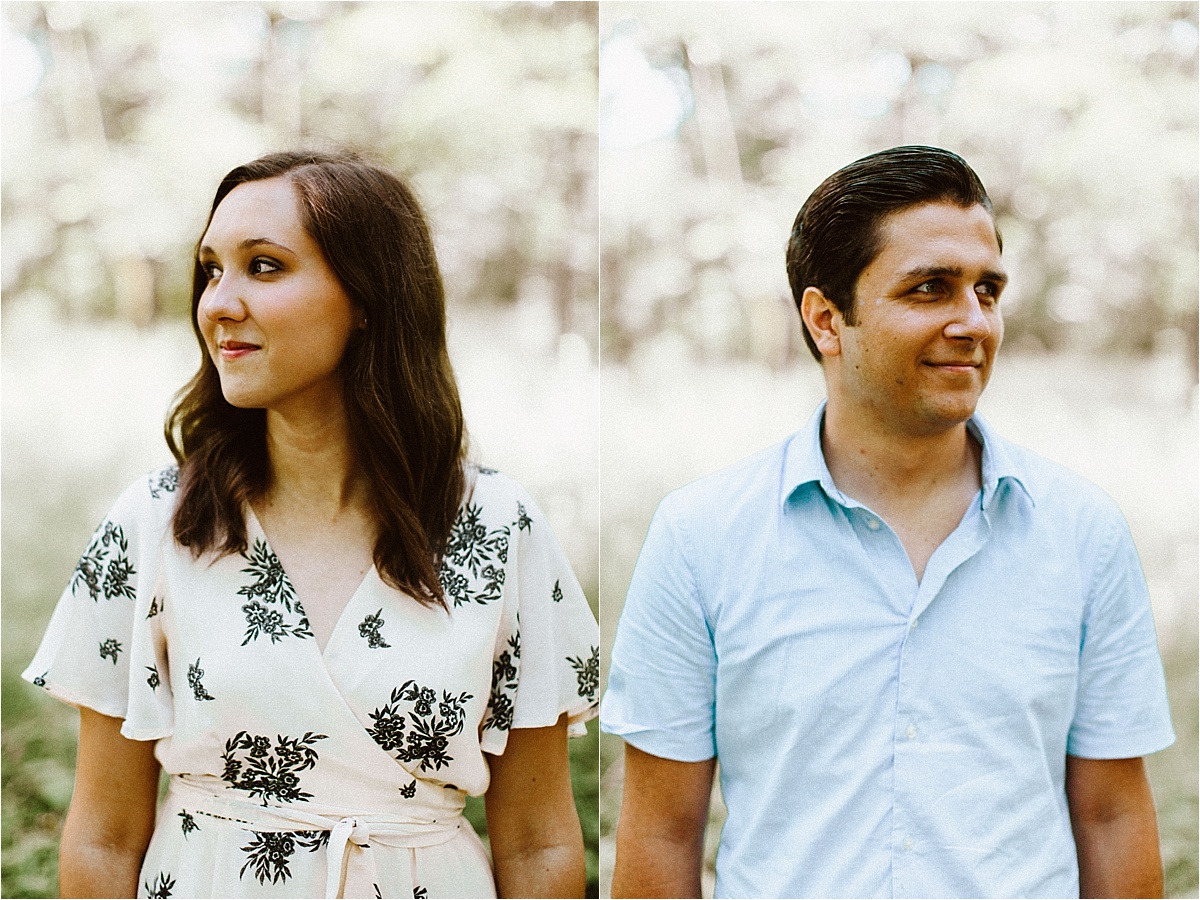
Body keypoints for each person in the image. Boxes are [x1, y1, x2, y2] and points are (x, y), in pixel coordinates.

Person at [600, 145, 1174, 899]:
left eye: (988, 290)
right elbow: (662, 833)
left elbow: (1111, 817)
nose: (974, 322)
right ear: (826, 319)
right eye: (931, 288)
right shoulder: (700, 537)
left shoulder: (1083, 532)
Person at [24, 150, 600, 899]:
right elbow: (103, 838)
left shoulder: (499, 529)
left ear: (369, 297)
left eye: (263, 266)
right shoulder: (156, 522)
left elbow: (539, 845)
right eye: (211, 269)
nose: (219, 302)